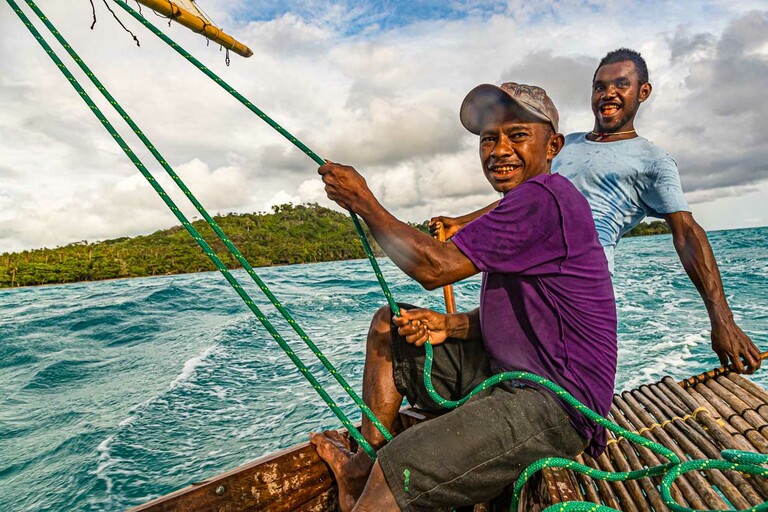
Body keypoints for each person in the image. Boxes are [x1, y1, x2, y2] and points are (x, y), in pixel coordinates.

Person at [310, 82, 617, 511]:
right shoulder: (524, 203)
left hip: (558, 402)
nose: (500, 149)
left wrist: (364, 202)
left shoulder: (544, 198)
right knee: (389, 323)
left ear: (554, 146)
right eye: (489, 138)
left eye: (518, 135)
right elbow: (530, 311)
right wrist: (450, 325)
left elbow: (434, 268)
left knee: (399, 469)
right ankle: (362, 466)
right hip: (506, 372)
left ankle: (373, 479)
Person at [432, 48, 761, 374]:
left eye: (621, 84)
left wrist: (723, 320)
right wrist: (463, 222)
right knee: (499, 351)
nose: (609, 93)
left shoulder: (652, 161)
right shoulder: (565, 144)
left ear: (643, 92)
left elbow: (687, 233)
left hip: (573, 281)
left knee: (561, 373)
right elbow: (528, 200)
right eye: (600, 86)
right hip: (526, 260)